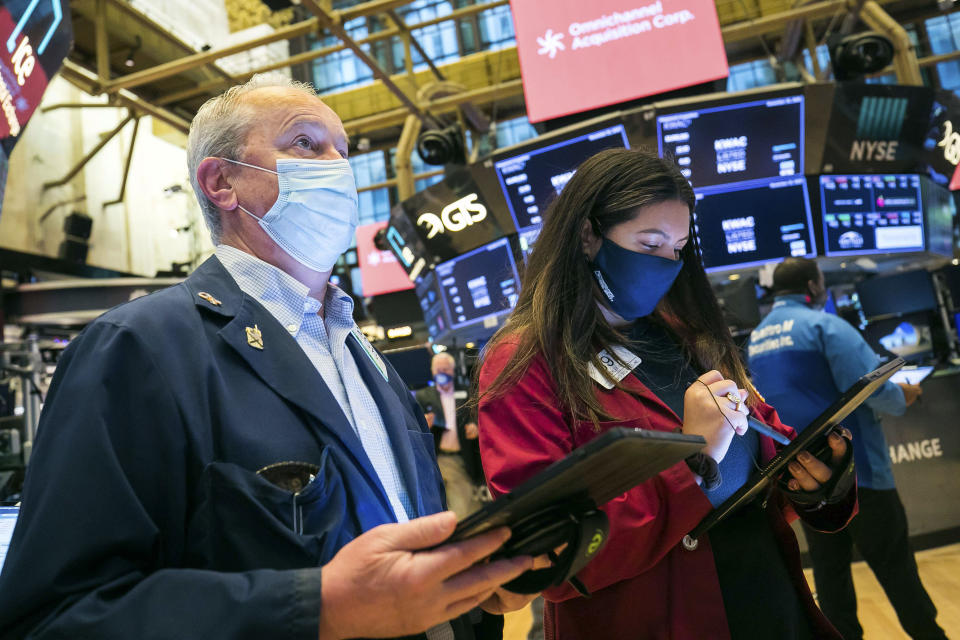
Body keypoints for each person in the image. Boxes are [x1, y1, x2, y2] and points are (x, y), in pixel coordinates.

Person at [0, 75, 535, 640]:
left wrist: (466, 589)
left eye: (343, 150)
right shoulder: (138, 349)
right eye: (305, 144)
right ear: (222, 181)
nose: (337, 167)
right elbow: (56, 616)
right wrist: (317, 607)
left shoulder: (362, 356)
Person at [476, 147, 858, 640]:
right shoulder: (526, 361)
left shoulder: (687, 336)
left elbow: (762, 444)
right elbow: (549, 552)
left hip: (766, 603)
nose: (666, 263)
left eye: (676, 248)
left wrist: (819, 478)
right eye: (650, 243)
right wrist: (692, 460)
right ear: (588, 236)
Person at [747, 257, 946, 640]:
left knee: (831, 579)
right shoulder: (826, 326)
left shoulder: (757, 339)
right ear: (813, 285)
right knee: (897, 571)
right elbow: (875, 392)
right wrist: (906, 394)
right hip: (859, 475)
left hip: (804, 484)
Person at [416, 352, 487, 519]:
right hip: (436, 458)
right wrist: (424, 424)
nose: (442, 372)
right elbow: (414, 426)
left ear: (453, 371)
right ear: (433, 372)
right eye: (439, 369)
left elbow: (476, 417)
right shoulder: (424, 396)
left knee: (464, 503)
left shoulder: (465, 392)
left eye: (446, 369)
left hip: (462, 456)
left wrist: (475, 427)